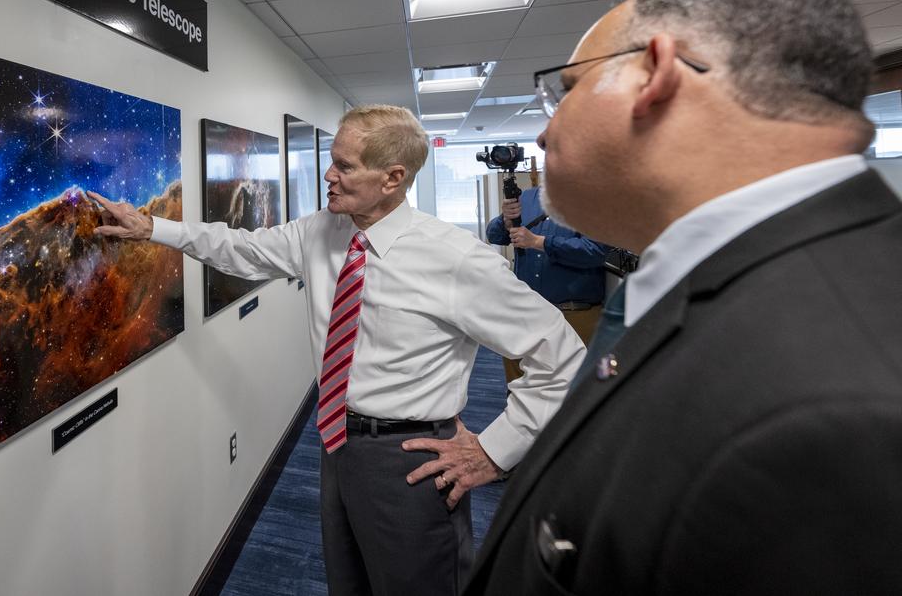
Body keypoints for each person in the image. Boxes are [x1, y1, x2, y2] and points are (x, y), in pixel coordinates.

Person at [468, 0, 902, 595]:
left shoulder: (841, 413)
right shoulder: (742, 282)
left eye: (566, 90)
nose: (541, 134)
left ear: (658, 75)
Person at [89, 105, 584, 595]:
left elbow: (562, 358)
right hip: (334, 442)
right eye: (332, 160)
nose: (328, 175)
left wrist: (494, 452)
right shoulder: (320, 232)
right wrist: (152, 228)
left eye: (344, 166)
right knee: (349, 582)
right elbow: (241, 248)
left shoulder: (455, 259)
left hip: (411, 459)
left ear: (392, 178)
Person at [485, 185, 609, 383]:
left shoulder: (592, 197)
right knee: (520, 383)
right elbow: (494, 236)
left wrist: (539, 242)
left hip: (574, 314)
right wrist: (504, 220)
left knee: (576, 387)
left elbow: (595, 251)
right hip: (527, 311)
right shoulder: (526, 197)